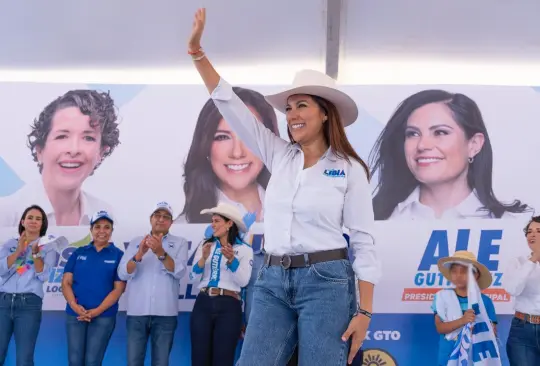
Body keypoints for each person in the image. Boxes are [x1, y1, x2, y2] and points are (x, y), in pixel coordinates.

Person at [187, 9, 381, 365]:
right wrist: (199, 54)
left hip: (328, 283)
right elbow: (230, 105)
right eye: (289, 107)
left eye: (301, 105)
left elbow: (364, 242)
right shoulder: (279, 155)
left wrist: (365, 314)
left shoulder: (350, 169)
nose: (291, 114)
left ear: (325, 113)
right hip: (272, 280)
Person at [369, 89, 532, 220]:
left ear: (474, 144)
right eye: (413, 133)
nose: (423, 145)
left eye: (440, 132)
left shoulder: (509, 226)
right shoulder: (376, 220)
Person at [0, 89, 121, 227]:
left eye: (88, 138)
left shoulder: (105, 216)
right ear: (40, 150)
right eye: (62, 136)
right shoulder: (6, 214)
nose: (74, 149)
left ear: (101, 152)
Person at [177, 87, 279, 224]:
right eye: (222, 137)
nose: (237, 153)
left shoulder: (293, 215)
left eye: (250, 135)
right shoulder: (184, 229)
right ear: (205, 147)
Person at [117, 202, 189, 366]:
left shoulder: (180, 243)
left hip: (166, 314)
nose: (161, 219)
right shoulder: (136, 242)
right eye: (157, 215)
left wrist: (160, 252)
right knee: (134, 362)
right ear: (151, 219)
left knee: (161, 362)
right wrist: (139, 254)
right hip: (137, 313)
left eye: (166, 217)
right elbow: (122, 273)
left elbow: (179, 271)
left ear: (171, 222)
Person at [189, 202, 253, 365]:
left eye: (217, 221)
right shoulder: (206, 245)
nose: (213, 224)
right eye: (213, 221)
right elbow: (192, 278)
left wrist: (232, 259)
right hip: (203, 303)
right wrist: (203, 258)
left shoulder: (244, 249)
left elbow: (244, 280)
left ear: (229, 223)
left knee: (223, 360)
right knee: (199, 359)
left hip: (229, 306)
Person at [0, 205, 63, 366]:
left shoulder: (48, 247)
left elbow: (44, 276)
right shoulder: (9, 244)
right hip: (4, 302)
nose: (33, 221)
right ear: (23, 221)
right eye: (30, 217)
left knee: (24, 358)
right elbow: (1, 270)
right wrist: (19, 250)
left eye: (38, 219)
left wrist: (35, 253)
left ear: (43, 224)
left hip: (29, 304)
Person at [61, 210, 125, 366]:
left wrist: (97, 311)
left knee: (93, 361)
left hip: (103, 316)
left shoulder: (118, 255)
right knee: (75, 361)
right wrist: (74, 306)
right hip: (75, 315)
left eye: (106, 227)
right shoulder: (79, 252)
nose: (102, 231)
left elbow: (118, 289)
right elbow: (66, 283)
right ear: (91, 230)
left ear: (111, 231)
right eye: (97, 227)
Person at [432, 251, 497, 366]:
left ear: (476, 275)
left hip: (475, 357)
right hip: (447, 355)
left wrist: (477, 329)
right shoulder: (442, 297)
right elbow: (440, 328)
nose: (458, 275)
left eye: (464, 272)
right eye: (454, 271)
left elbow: (491, 334)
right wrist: (463, 321)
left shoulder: (484, 301)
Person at [504, 216, 540, 364]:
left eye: (538, 231)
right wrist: (534, 258)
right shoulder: (518, 262)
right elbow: (513, 289)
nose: (532, 235)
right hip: (522, 330)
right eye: (529, 231)